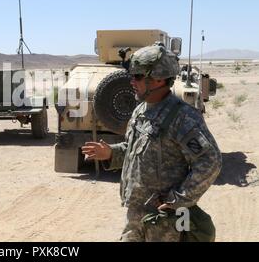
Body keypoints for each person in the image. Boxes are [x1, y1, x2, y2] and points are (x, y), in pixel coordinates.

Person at [82, 43, 222, 242]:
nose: (131, 81)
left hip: (164, 222)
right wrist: (111, 153)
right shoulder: (141, 110)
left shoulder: (182, 117)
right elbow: (135, 150)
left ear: (158, 79)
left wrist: (179, 199)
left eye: (138, 76)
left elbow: (210, 161)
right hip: (136, 215)